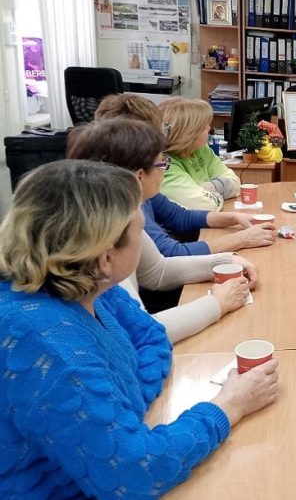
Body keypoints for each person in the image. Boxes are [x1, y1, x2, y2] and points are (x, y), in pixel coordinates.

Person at [0, 160, 280, 498]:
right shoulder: (46, 343)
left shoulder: (91, 287)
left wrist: (123, 411)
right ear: (106, 258)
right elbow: (137, 473)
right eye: (139, 232)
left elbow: (152, 338)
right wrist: (231, 403)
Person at [81, 111, 275, 258]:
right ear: (139, 175)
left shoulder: (145, 196)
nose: (164, 170)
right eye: (162, 165)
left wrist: (234, 217)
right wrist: (241, 239)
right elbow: (171, 254)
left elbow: (180, 217)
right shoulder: (127, 210)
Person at [160, 96, 240, 211]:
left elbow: (235, 182)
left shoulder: (200, 149)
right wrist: (219, 192)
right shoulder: (162, 163)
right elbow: (204, 205)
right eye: (203, 126)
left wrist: (208, 188)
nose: (209, 128)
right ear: (188, 132)